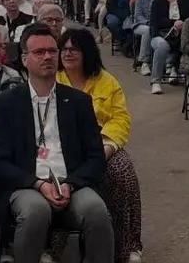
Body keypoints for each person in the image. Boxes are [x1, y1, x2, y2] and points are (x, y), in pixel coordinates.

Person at [0, 23, 114, 263]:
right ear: (24, 59)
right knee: (36, 211)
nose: (47, 56)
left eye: (51, 51)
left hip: (71, 182)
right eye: (39, 52)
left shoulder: (78, 101)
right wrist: (37, 184)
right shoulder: (6, 103)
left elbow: (95, 156)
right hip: (27, 184)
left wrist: (72, 184)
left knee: (96, 211)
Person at [56, 28, 144, 262]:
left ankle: (126, 246)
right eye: (63, 49)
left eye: (74, 49)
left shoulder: (106, 81)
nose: (68, 53)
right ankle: (53, 246)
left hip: (103, 144)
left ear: (87, 52)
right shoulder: (53, 79)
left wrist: (106, 147)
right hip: (61, 146)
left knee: (122, 172)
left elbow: (120, 118)